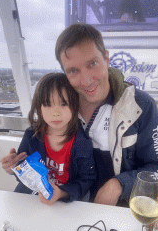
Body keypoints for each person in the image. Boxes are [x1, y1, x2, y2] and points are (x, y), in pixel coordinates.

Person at [1, 23, 158, 206]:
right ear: (65, 72)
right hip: (53, 204)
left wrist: (119, 184)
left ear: (106, 59)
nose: (86, 81)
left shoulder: (140, 106)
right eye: (73, 71)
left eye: (92, 63)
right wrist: (17, 166)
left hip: (108, 211)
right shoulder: (58, 105)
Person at [12, 72, 96, 205]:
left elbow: (87, 180)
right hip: (31, 197)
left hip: (65, 200)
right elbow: (22, 171)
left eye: (63, 104)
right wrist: (12, 167)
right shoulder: (31, 136)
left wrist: (62, 193)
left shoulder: (82, 143)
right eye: (48, 104)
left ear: (75, 106)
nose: (56, 112)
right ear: (39, 107)